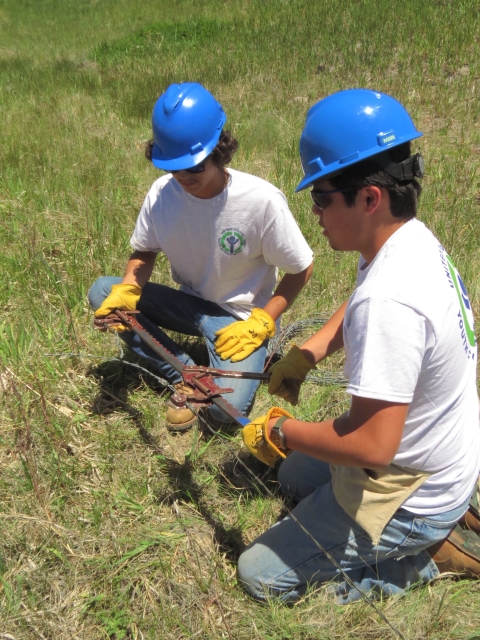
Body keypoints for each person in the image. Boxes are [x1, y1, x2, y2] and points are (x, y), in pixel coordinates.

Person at [238, 88, 480, 603]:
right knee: (295, 478)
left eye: (321, 198)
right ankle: (447, 514)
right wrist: (311, 351)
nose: (316, 213)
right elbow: (359, 299)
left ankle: (426, 555)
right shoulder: (405, 239)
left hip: (413, 490)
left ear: (370, 197)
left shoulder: (391, 301)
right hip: (443, 455)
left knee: (259, 575)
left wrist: (284, 428)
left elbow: (373, 446)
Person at [89, 82, 313, 430]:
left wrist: (263, 321)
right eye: (172, 167)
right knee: (103, 292)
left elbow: (301, 268)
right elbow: (145, 249)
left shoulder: (261, 201)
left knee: (225, 412)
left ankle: (241, 363)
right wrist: (129, 290)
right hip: (190, 305)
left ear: (218, 151)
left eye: (193, 167)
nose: (182, 177)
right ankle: (184, 373)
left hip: (241, 319)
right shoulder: (162, 195)